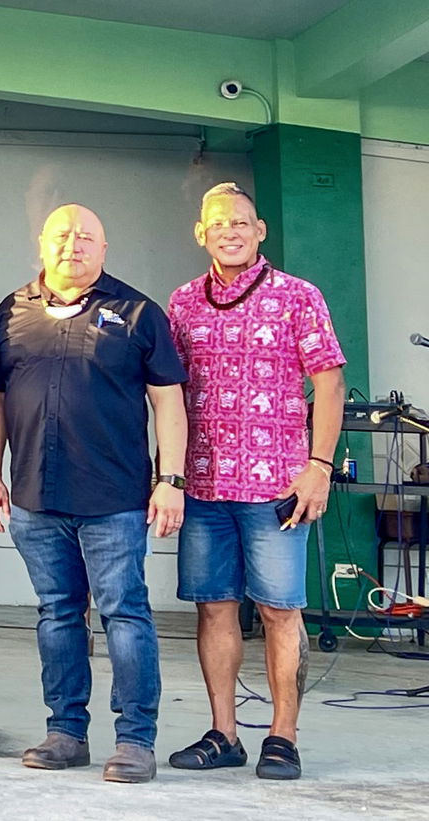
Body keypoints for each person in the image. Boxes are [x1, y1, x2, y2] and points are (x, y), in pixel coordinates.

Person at [0, 203, 187, 783]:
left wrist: (171, 481)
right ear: (42, 244)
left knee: (125, 613)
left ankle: (135, 740)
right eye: (63, 236)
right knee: (57, 615)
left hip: (114, 498)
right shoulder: (12, 311)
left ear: (104, 247)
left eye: (87, 237)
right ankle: (66, 732)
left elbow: (168, 399)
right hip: (33, 498)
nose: (74, 245)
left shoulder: (139, 312)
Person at [165, 183, 345, 781]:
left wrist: (318, 468)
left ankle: (283, 737)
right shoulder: (183, 302)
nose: (231, 231)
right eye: (219, 224)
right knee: (214, 608)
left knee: (279, 610)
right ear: (201, 234)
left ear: (260, 230)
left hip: (278, 487)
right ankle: (224, 733)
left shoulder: (299, 296)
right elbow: (168, 393)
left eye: (242, 222)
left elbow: (329, 383)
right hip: (206, 484)